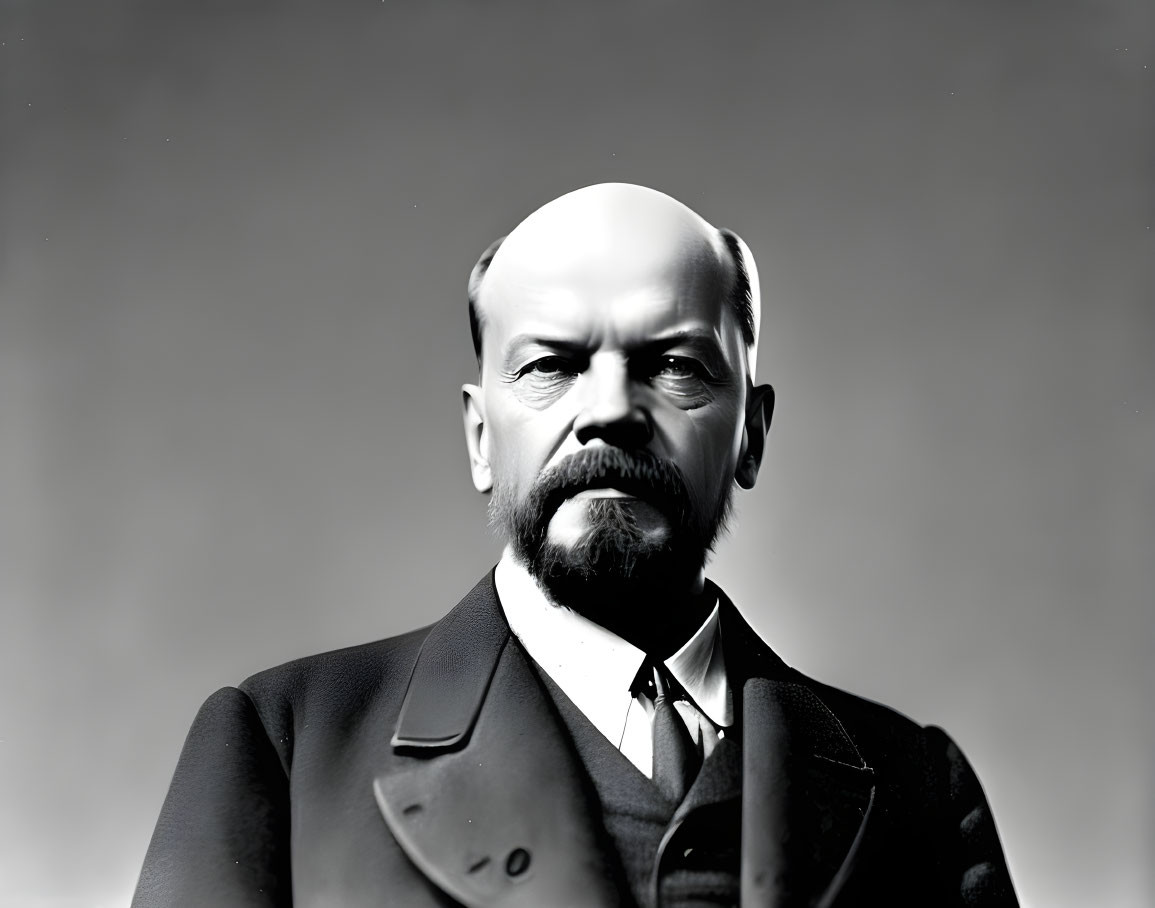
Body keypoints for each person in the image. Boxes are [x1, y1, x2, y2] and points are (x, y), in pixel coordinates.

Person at [133, 183, 1018, 907]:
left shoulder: (916, 788)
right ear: (481, 437)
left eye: (674, 365)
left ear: (750, 434)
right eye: (550, 366)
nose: (607, 412)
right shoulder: (282, 752)